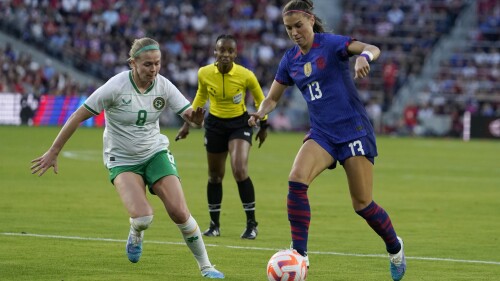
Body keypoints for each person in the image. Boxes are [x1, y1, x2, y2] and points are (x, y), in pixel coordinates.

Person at [30, 37, 225, 279]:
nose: (153, 70)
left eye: (157, 64)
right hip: (121, 159)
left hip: (155, 153)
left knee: (179, 212)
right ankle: (136, 231)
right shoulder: (115, 86)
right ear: (133, 63)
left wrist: (195, 121)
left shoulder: (163, 86)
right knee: (143, 217)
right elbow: (78, 116)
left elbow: (189, 115)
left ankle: (207, 267)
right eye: (147, 65)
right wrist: (54, 151)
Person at [247, 1, 406, 280]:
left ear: (310, 20)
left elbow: (372, 48)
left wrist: (363, 58)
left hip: (353, 130)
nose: (294, 32)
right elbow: (272, 98)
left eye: (298, 25)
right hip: (322, 134)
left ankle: (395, 247)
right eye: (288, 28)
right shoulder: (290, 59)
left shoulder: (331, 44)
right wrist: (259, 113)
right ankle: (300, 255)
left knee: (363, 205)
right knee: (296, 180)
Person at [175, 34, 268, 240]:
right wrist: (187, 125)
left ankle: (252, 224)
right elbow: (200, 98)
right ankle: (214, 225)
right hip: (215, 124)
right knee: (215, 176)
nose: (225, 54)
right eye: (221, 50)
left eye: (229, 51)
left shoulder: (246, 75)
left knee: (239, 169)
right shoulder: (205, 73)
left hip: (239, 124)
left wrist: (263, 125)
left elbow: (262, 100)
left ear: (235, 53)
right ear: (215, 52)